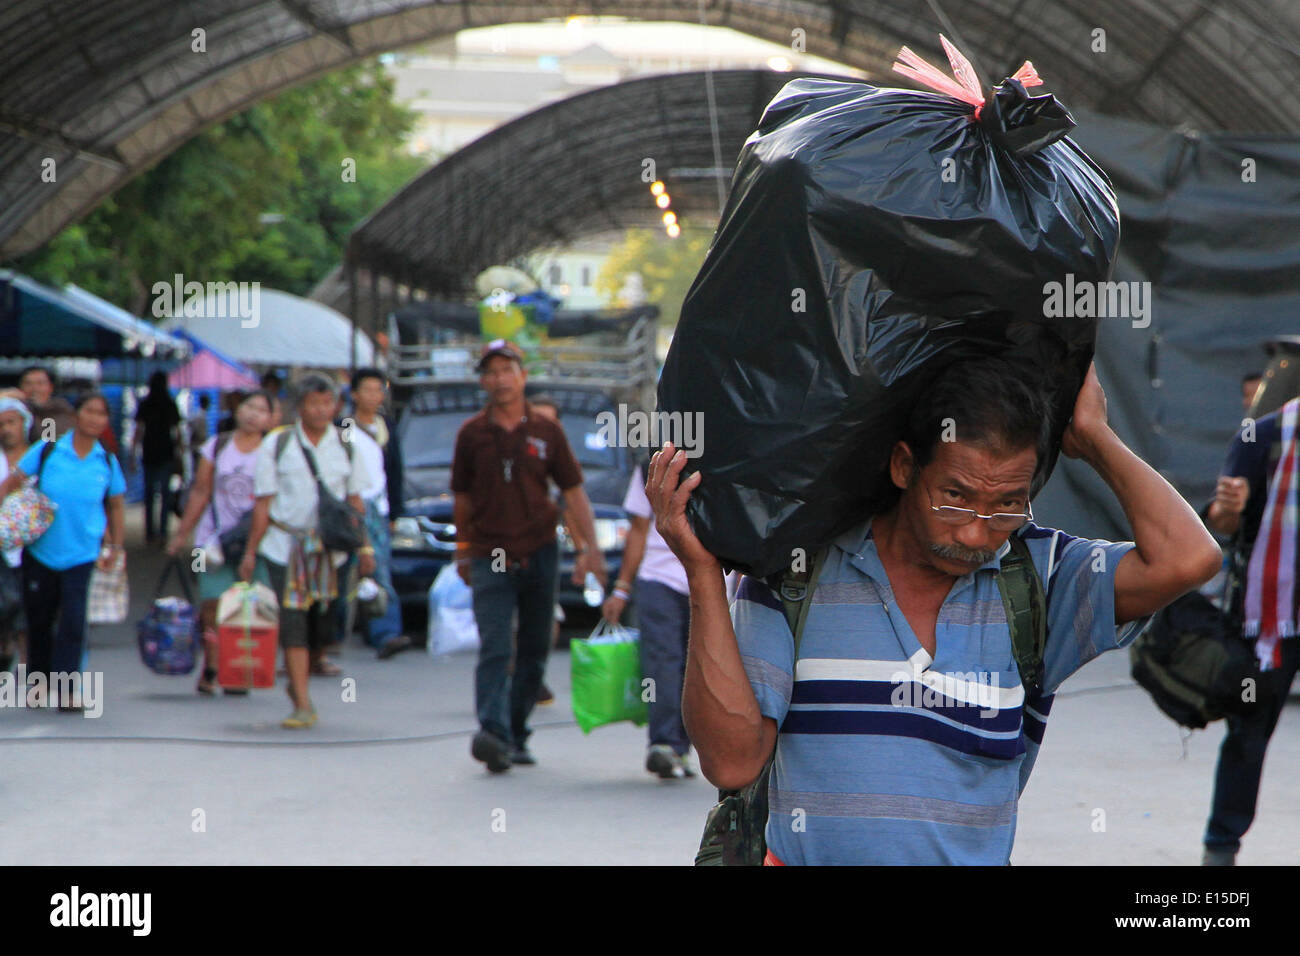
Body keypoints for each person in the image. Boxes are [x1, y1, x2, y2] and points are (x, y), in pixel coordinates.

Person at [648, 359, 1221, 865]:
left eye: (1007, 504)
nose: (977, 531)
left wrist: (1096, 438)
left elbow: (1190, 559)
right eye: (956, 497)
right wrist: (702, 572)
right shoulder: (799, 571)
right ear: (904, 466)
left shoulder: (1042, 579)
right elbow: (730, 762)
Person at [452, 340, 607, 771]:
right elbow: (461, 498)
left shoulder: (545, 431)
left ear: (522, 376)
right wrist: (462, 551)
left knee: (536, 647)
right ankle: (493, 734)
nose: (500, 379)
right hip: (489, 554)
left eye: (508, 370)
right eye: (491, 372)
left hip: (539, 551)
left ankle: (516, 732)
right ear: (483, 381)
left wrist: (589, 549)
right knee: (497, 645)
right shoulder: (471, 434)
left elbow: (574, 493)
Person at [238, 375, 374, 729]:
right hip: (285, 547)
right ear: (300, 406)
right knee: (293, 622)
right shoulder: (278, 443)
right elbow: (263, 502)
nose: (321, 410)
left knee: (324, 624)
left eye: (327, 403)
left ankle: (306, 673)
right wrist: (251, 552)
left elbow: (356, 500)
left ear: (335, 406)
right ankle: (301, 700)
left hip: (332, 551)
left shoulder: (345, 445)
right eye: (314, 403)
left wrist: (366, 546)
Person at [1201, 394, 1300, 865]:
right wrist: (1228, 508)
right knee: (1249, 732)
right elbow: (1219, 521)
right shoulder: (1262, 435)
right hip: (1269, 613)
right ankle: (1220, 849)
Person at [0, 393, 127, 711]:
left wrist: (115, 545)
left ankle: (69, 689)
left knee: (73, 621)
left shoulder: (106, 461)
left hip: (82, 555)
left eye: (102, 414)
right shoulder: (47, 450)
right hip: (41, 552)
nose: (95, 418)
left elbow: (116, 504)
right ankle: (38, 685)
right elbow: (11, 484)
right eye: (89, 411)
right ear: (77, 415)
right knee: (39, 621)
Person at [167, 390, 273, 694]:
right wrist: (181, 535)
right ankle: (211, 665)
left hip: (253, 542)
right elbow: (201, 492)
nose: (254, 414)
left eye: (262, 410)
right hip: (208, 543)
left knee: (245, 607)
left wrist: (253, 549)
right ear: (239, 409)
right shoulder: (217, 445)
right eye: (250, 406)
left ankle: (236, 669)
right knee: (210, 606)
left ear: (270, 419)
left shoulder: (270, 451)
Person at [604, 460, 696, 779]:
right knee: (662, 662)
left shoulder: (724, 457)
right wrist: (622, 588)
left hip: (710, 582)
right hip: (659, 579)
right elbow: (639, 530)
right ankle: (665, 743)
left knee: (695, 666)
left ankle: (681, 747)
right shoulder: (650, 465)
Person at [343, 368, 408, 659]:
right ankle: (334, 631)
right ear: (355, 394)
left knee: (379, 569)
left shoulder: (387, 427)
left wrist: (395, 512)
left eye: (378, 390)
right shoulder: (344, 426)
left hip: (378, 508)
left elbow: (395, 471)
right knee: (346, 570)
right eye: (367, 390)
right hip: (350, 505)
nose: (373, 396)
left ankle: (385, 633)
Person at [0, 396, 33, 672]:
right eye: (2, 424)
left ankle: (27, 663)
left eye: (12, 422)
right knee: (7, 601)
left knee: (27, 603)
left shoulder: (38, 456)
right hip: (1, 547)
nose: (7, 429)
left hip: (32, 545)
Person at [133, 370, 181, 544]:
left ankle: (150, 533)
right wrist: (180, 452)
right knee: (165, 494)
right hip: (166, 452)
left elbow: (138, 430)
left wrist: (132, 452)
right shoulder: (170, 403)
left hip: (149, 452)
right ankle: (162, 532)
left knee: (149, 494)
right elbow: (177, 431)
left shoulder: (145, 404)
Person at [18, 365, 74, 443]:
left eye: (40, 383)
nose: (34, 389)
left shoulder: (64, 411)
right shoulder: (16, 411)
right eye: (28, 384)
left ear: (50, 387)